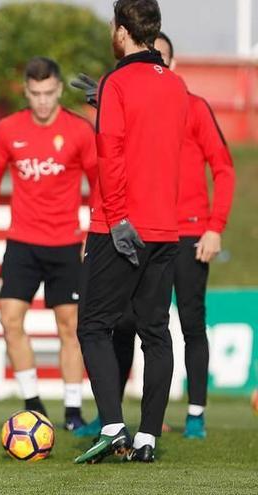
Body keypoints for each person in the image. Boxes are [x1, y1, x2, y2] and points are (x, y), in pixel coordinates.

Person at [72, 0, 189, 464]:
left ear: (121, 31)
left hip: (122, 223)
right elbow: (154, 138)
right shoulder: (177, 86)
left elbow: (113, 154)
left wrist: (117, 218)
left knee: (93, 325)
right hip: (166, 226)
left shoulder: (118, 81)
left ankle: (114, 426)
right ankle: (148, 440)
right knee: (155, 331)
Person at [110, 32, 235, 440]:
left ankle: (196, 414)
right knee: (131, 322)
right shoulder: (132, 106)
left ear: (172, 65)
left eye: (161, 58)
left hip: (191, 232)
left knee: (191, 324)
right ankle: (123, 415)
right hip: (145, 230)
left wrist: (215, 226)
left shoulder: (195, 108)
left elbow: (225, 170)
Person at [0, 56, 97, 433]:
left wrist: (92, 234)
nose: (42, 100)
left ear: (59, 90)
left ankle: (74, 411)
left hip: (66, 244)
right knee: (9, 320)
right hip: (22, 243)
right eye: (35, 93)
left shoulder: (79, 131)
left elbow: (100, 187)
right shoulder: (8, 129)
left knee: (70, 327)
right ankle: (33, 402)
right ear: (26, 93)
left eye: (48, 93)